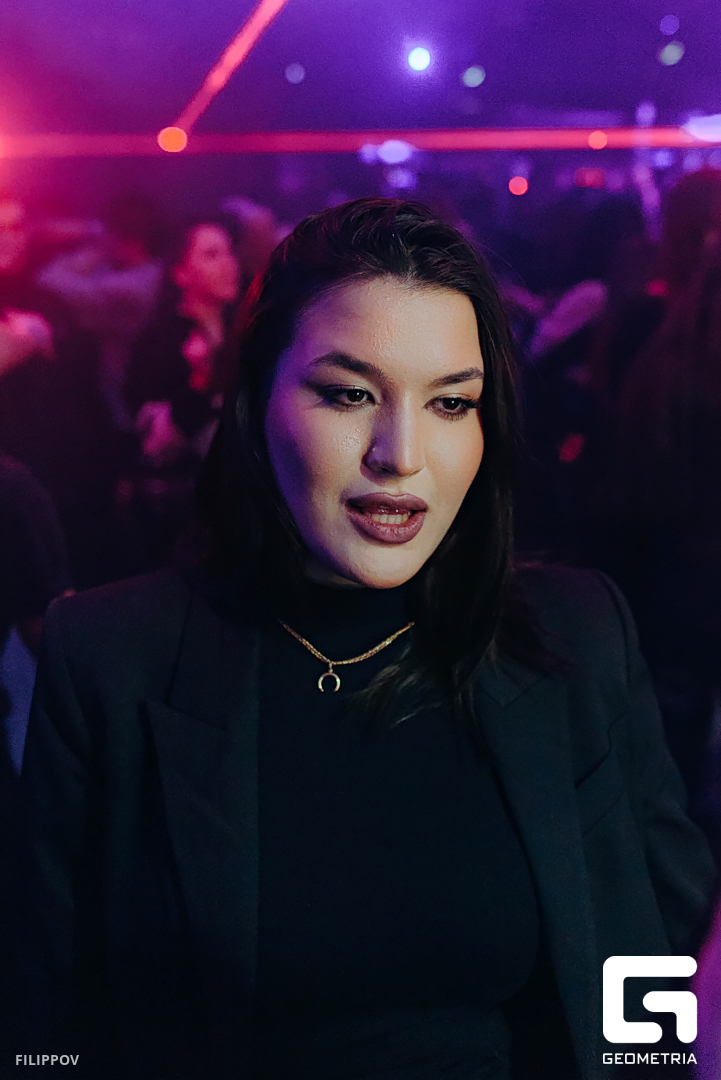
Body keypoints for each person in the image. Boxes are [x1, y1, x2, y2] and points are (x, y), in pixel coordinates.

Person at [13, 199, 715, 1080]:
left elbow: (652, 946)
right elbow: (42, 1017)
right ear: (254, 399)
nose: (400, 453)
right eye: (349, 394)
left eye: (451, 402)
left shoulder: (578, 636)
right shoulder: (113, 657)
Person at [123, 218, 240, 569]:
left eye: (229, 252)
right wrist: (202, 379)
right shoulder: (160, 342)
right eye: (211, 255)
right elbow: (157, 440)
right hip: (189, 507)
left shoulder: (246, 329)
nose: (228, 263)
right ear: (181, 274)